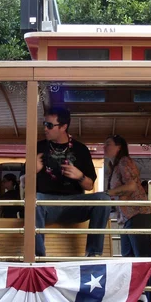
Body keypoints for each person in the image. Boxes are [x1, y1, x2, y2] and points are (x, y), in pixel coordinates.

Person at [35, 107, 110, 257]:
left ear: (63, 127)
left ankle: (93, 254)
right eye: (44, 124)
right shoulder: (38, 147)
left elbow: (89, 186)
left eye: (49, 125)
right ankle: (38, 257)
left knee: (103, 199)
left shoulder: (80, 149)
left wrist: (80, 176)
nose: (45, 128)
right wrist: (33, 171)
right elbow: (23, 182)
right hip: (47, 203)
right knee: (34, 199)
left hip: (74, 203)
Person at [104, 135, 151, 302]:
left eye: (108, 144)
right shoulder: (114, 166)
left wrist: (108, 192)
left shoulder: (124, 162)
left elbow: (131, 186)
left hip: (138, 214)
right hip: (127, 218)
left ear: (119, 146)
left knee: (143, 259)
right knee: (129, 261)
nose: (104, 147)